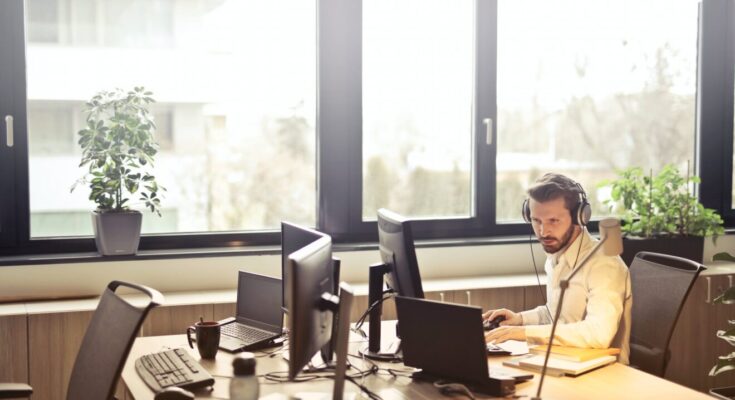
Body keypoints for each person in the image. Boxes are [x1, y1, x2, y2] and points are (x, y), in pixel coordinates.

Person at [484, 173, 632, 364]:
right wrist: (519, 319)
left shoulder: (604, 264)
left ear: (580, 217)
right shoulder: (557, 256)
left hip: (603, 374)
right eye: (536, 221)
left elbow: (599, 334)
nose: (543, 232)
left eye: (553, 221)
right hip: (563, 361)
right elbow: (556, 315)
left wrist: (524, 333)